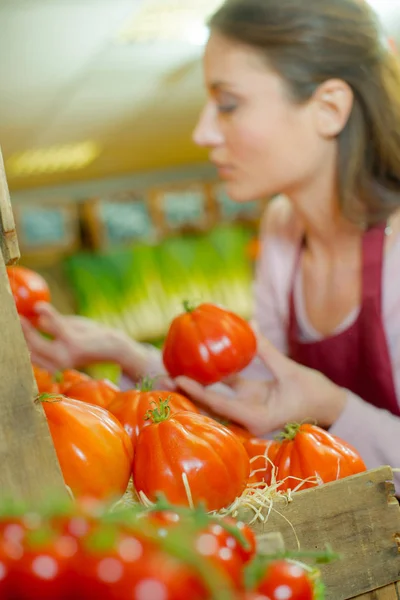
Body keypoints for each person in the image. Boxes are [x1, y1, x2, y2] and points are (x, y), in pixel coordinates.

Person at [21, 0, 400, 490]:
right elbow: (257, 392)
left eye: (228, 104)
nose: (202, 132)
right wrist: (122, 351)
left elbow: (305, 404)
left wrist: (333, 407)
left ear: (328, 108)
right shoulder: (283, 228)